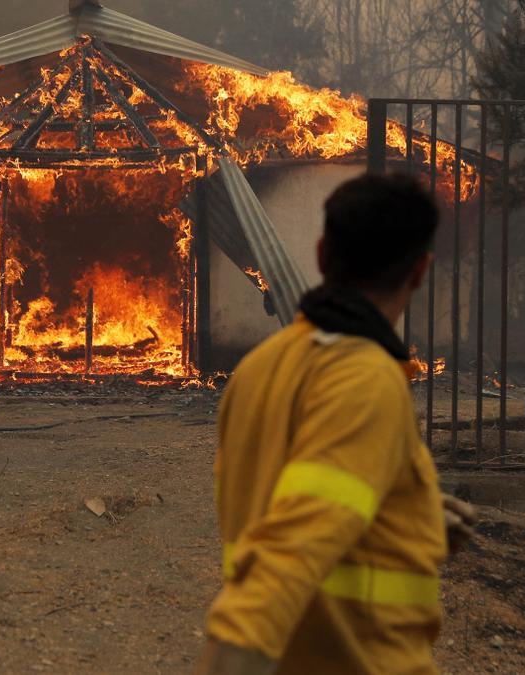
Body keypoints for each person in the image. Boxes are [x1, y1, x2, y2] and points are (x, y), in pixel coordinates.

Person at [195, 173, 477, 675]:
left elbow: (292, 492)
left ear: (323, 255)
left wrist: (409, 518)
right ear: (420, 271)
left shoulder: (259, 369)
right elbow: (289, 554)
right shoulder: (366, 381)